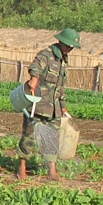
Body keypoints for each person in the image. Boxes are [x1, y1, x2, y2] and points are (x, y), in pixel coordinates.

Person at [15, 28, 80, 180]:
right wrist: (34, 78)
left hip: (54, 108)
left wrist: (63, 106)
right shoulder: (47, 54)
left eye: (72, 47)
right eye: (68, 45)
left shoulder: (64, 60)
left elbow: (60, 86)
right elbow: (35, 67)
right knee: (28, 137)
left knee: (51, 139)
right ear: (61, 41)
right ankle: (21, 168)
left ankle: (52, 171)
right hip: (38, 105)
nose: (69, 49)